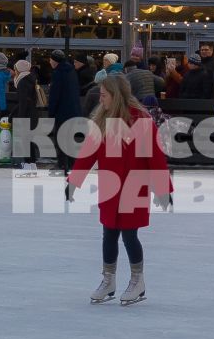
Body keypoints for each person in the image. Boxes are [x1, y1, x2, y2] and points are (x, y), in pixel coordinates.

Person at [66, 73, 170, 307]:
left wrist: (163, 188)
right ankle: (109, 280)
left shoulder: (141, 120)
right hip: (110, 186)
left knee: (129, 234)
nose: (100, 99)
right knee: (109, 233)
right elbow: (87, 154)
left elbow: (155, 157)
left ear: (117, 95)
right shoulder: (102, 120)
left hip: (135, 185)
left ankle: (137, 281)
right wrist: (74, 181)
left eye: (104, 95)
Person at [47, 50, 84, 176]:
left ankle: (62, 164)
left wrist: (51, 112)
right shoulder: (71, 71)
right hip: (73, 111)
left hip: (62, 111)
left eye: (51, 59)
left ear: (55, 60)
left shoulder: (58, 73)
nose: (49, 61)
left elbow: (55, 95)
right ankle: (73, 164)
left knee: (61, 138)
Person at [8, 57, 41, 175]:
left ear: (19, 70)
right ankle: (32, 164)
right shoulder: (30, 79)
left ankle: (27, 165)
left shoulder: (22, 82)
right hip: (32, 113)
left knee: (25, 140)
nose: (14, 71)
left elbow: (23, 102)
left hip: (26, 114)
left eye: (15, 68)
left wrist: (20, 118)